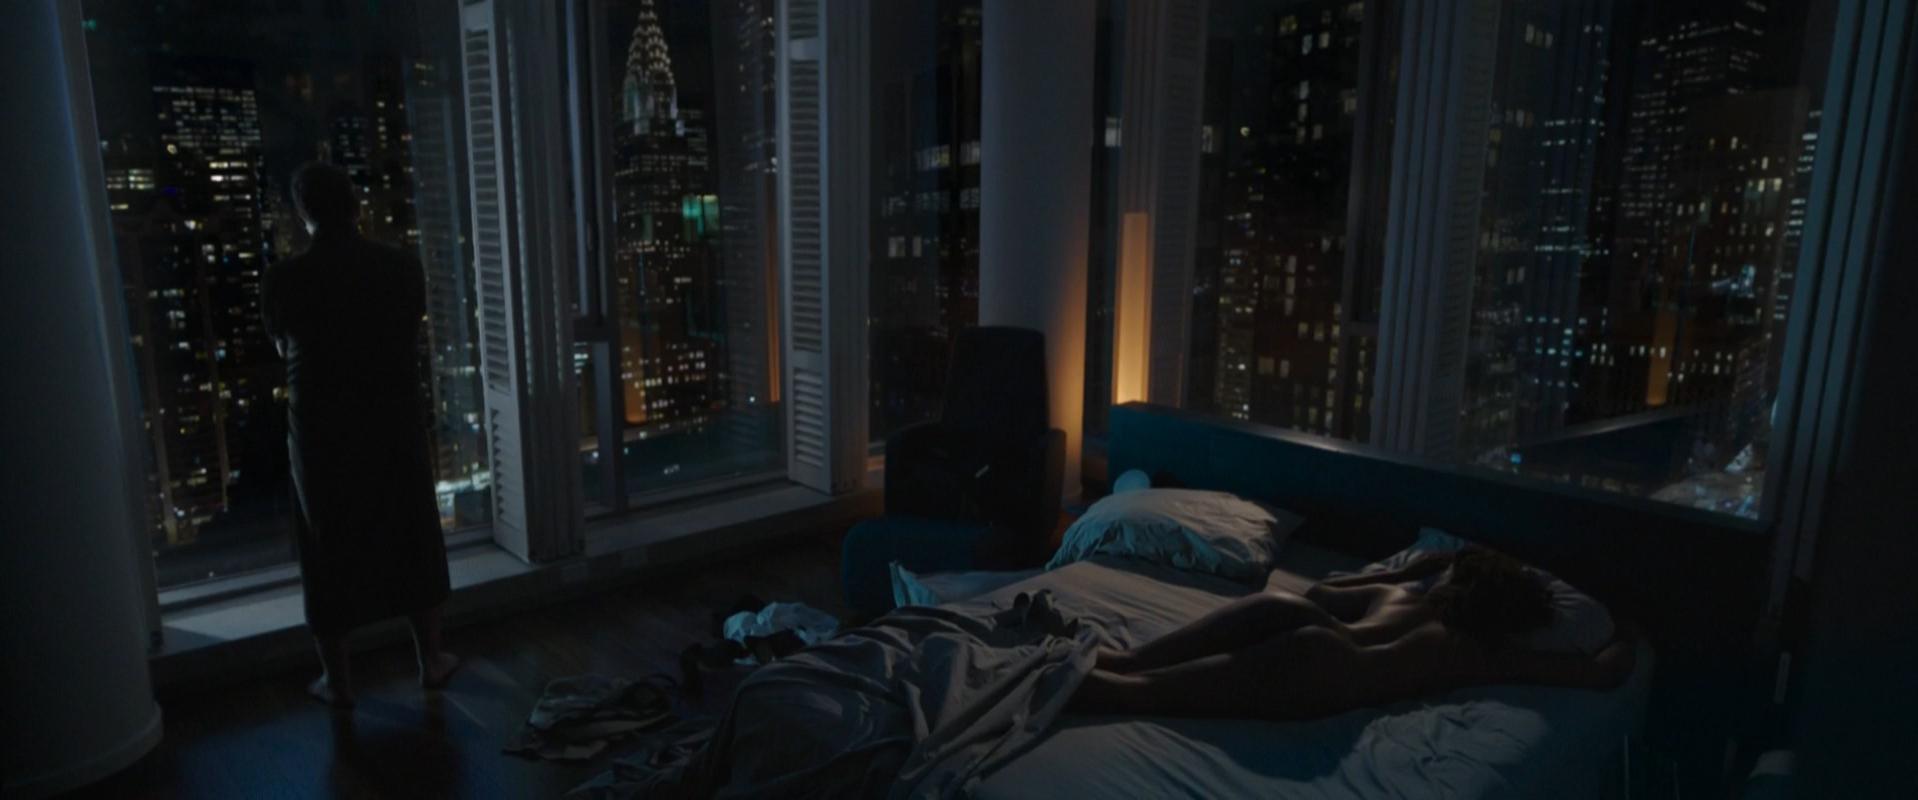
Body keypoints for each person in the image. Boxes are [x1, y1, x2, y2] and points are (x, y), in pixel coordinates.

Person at [262, 162, 459, 708]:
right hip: (391, 415)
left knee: (325, 545)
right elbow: (408, 330)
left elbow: (283, 345)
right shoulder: (401, 267)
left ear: (304, 213)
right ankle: (431, 660)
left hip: (321, 429)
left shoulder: (284, 279)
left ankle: (339, 680)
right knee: (412, 531)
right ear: (354, 206)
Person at [1068, 547, 1637, 720]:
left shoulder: (1400, 596)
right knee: (1137, 695)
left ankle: (1118, 660)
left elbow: (1322, 591)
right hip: (1339, 668)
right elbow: (1598, 671)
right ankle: (1111, 677)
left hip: (1310, 625)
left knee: (1137, 668)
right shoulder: (1482, 650)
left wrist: (1401, 572)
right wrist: (1631, 633)